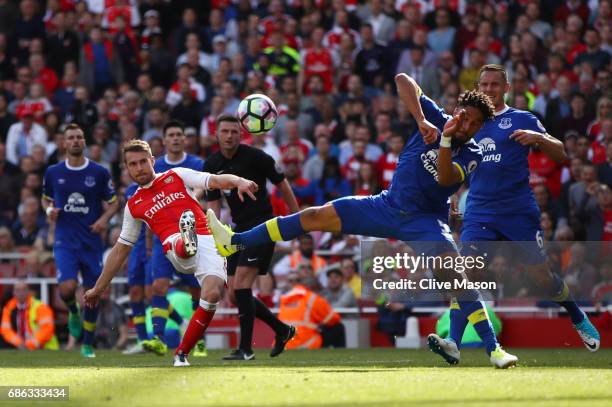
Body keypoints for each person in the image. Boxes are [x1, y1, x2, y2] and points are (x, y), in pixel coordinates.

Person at [207, 73, 518, 368]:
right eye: (465, 117)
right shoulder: (435, 117)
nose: (467, 126)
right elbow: (402, 80)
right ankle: (235, 240)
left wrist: (447, 141)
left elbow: (447, 176)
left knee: (455, 276)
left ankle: (494, 350)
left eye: (476, 124)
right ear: (456, 110)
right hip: (385, 205)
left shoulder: (473, 153)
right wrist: (421, 119)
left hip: (424, 221)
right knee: (314, 215)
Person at [452, 64, 601, 355]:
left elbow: (561, 153)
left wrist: (540, 138)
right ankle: (453, 344)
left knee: (541, 277)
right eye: (484, 85)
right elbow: (454, 160)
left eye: (495, 85)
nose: (489, 90)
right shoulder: (467, 122)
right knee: (468, 273)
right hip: (480, 210)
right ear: (477, 87)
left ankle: (577, 316)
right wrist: (452, 194)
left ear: (506, 88)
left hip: (518, 212)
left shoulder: (522, 119)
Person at [83, 139, 265, 367]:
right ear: (127, 168)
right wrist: (98, 288)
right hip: (173, 246)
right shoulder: (134, 205)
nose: (139, 168)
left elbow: (215, 180)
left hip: (207, 240)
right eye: (133, 164)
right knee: (180, 244)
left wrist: (240, 181)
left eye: (143, 162)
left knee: (212, 295)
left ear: (152, 161)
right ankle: (184, 239)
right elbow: (120, 250)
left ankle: (181, 354)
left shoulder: (176, 175)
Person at [203, 114, 298, 361]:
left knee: (243, 285)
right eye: (225, 131)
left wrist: (297, 217)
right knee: (234, 294)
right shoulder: (211, 164)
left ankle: (245, 349)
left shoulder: (258, 158)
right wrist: (215, 233)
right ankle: (282, 329)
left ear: (242, 134)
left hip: (263, 226)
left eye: (234, 131)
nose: (229, 136)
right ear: (217, 134)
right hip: (237, 230)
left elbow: (283, 184)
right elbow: (213, 204)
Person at [42, 124, 118, 358]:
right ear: (64, 143)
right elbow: (46, 200)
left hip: (91, 242)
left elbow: (114, 202)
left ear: (84, 142)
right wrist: (49, 212)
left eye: (79, 137)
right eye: (71, 138)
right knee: (67, 287)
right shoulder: (53, 172)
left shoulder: (99, 172)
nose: (75, 141)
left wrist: (104, 220)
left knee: (93, 293)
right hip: (65, 240)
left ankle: (87, 343)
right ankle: (73, 310)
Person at [142, 121, 208, 358]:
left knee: (196, 292)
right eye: (171, 135)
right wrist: (149, 243)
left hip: (192, 233)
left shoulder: (196, 164)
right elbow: (151, 205)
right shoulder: (156, 166)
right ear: (164, 140)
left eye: (180, 134)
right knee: (158, 287)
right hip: (163, 237)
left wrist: (189, 196)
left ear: (185, 139)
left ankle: (199, 341)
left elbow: (204, 189)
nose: (176, 138)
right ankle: (158, 339)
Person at [278, 271, 343, 349]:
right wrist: (321, 322)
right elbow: (335, 318)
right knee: (339, 327)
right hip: (304, 343)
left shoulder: (285, 297)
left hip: (282, 344)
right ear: (315, 289)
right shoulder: (312, 298)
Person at [0, 281, 58, 350]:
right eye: (18, 290)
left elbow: (47, 329)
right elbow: (6, 330)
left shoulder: (40, 307)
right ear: (13, 293)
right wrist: (19, 343)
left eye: (23, 290)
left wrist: (29, 344)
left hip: (43, 348)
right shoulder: (8, 308)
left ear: (28, 291)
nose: (21, 293)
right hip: (19, 347)